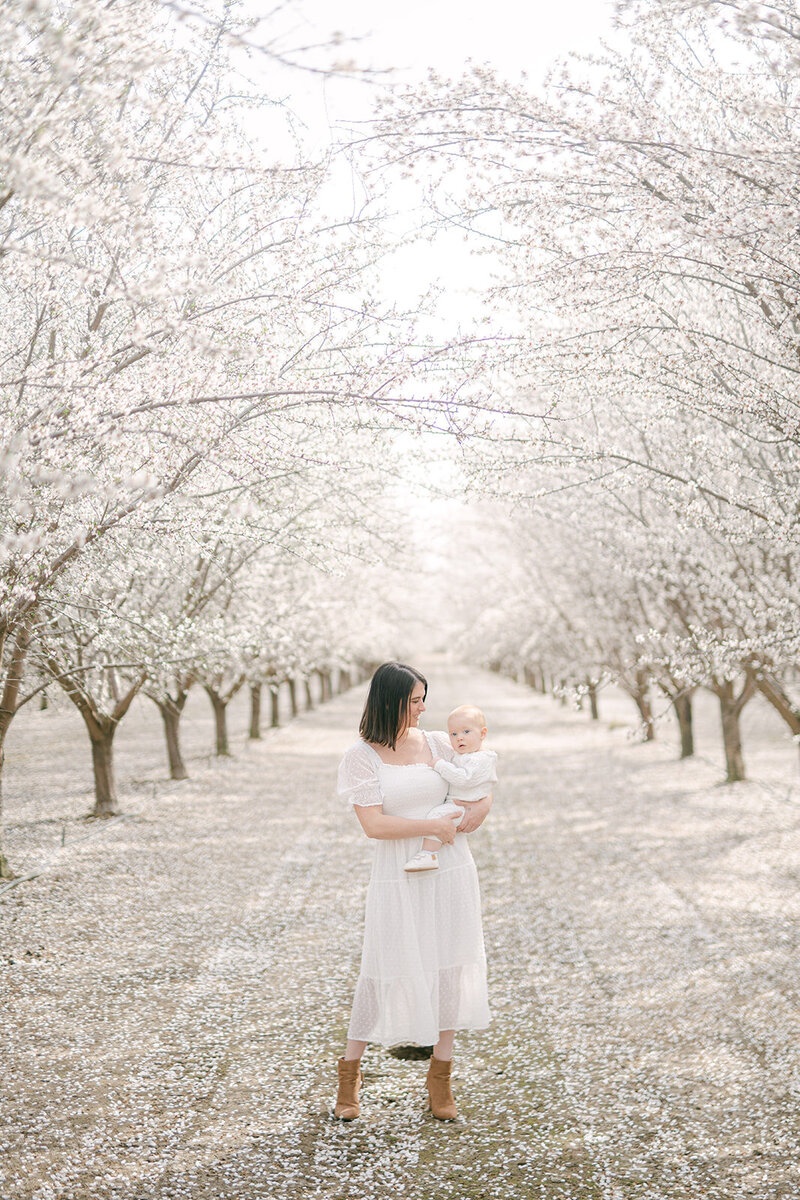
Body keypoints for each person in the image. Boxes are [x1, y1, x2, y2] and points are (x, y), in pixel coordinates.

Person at [334, 662, 492, 1122]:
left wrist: (478, 808)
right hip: (397, 872)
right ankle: (349, 1074)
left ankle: (440, 1079)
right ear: (389, 702)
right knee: (380, 967)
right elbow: (373, 824)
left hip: (450, 869)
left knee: (448, 965)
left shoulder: (440, 743)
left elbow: (479, 783)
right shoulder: (362, 755)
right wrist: (432, 826)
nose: (423, 708)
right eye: (414, 701)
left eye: (425, 698)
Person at [404, 704, 498, 873]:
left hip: (463, 807)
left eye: (466, 732)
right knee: (438, 814)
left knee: (437, 815)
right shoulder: (462, 755)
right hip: (458, 804)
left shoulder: (481, 759)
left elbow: (463, 779)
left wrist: (440, 765)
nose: (459, 738)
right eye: (453, 734)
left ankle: (428, 854)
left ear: (483, 734)